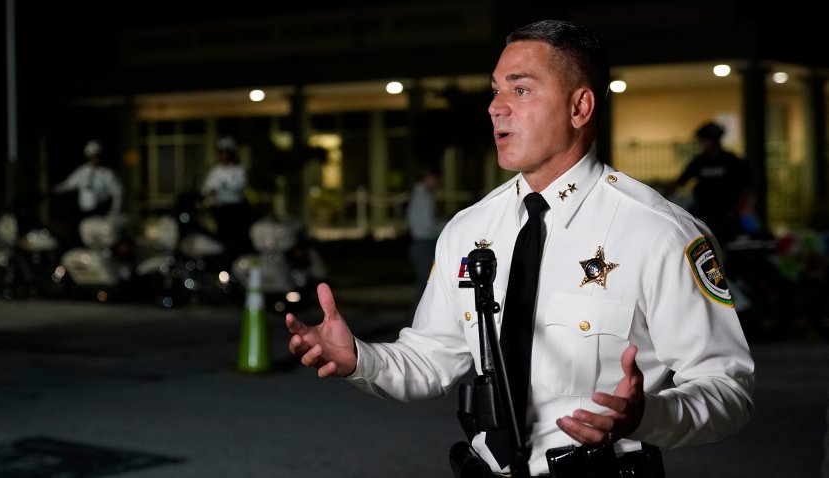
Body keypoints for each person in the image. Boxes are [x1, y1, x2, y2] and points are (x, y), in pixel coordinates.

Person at [286, 19, 754, 477]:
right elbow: (431, 358)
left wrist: (647, 416)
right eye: (495, 89)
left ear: (580, 107)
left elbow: (727, 389)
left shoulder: (658, 232)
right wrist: (358, 359)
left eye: (521, 89)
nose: (495, 107)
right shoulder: (468, 229)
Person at [668, 122, 753, 245]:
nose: (701, 144)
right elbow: (681, 181)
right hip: (704, 214)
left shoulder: (731, 161)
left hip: (728, 216)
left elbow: (745, 187)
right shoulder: (699, 161)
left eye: (704, 140)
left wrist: (740, 209)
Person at [53, 139, 124, 242]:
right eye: (92, 156)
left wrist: (114, 211)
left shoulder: (107, 174)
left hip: (100, 213)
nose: (95, 159)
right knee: (82, 236)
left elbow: (118, 192)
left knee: (100, 237)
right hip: (84, 213)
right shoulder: (82, 172)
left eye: (97, 156)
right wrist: (54, 189)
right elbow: (68, 185)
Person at [200, 136, 251, 259]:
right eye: (221, 152)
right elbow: (206, 188)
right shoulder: (215, 171)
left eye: (226, 152)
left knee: (238, 240)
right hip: (219, 211)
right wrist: (212, 190)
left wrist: (222, 186)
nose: (223, 155)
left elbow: (238, 185)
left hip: (236, 211)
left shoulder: (238, 171)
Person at [406, 165, 442, 308]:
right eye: (436, 179)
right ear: (429, 177)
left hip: (420, 243)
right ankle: (421, 320)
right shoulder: (424, 196)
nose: (438, 182)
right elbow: (427, 225)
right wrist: (448, 225)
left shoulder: (418, 194)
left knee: (425, 283)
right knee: (427, 284)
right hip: (424, 243)